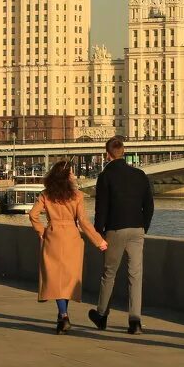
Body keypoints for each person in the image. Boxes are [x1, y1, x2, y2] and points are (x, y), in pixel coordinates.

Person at [30, 160, 107, 333]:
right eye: (71, 173)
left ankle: (63, 315)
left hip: (53, 236)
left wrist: (41, 230)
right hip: (72, 237)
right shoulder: (77, 195)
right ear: (66, 176)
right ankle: (63, 315)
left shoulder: (46, 195)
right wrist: (98, 241)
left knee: (56, 278)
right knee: (69, 278)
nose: (73, 175)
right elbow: (83, 221)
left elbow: (33, 214)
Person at [90, 136, 153, 334]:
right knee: (135, 274)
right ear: (123, 152)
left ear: (107, 154)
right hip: (137, 229)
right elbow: (149, 206)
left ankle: (101, 315)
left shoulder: (105, 177)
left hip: (115, 229)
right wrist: (143, 227)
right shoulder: (140, 175)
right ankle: (135, 320)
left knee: (109, 273)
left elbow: (101, 209)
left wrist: (99, 233)